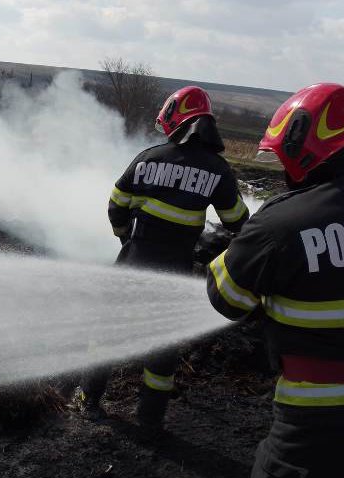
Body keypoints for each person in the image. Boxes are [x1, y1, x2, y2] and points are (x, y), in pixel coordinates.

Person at [206, 82, 344, 478]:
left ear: (302, 144)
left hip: (317, 427)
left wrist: (224, 250)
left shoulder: (280, 223)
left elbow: (227, 301)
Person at [84, 86, 249, 425]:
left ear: (176, 120)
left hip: (134, 259)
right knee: (162, 345)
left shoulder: (149, 158)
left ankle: (88, 399)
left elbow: (117, 204)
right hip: (175, 266)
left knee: (106, 331)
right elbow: (238, 222)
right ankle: (150, 421)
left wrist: (124, 238)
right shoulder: (218, 171)